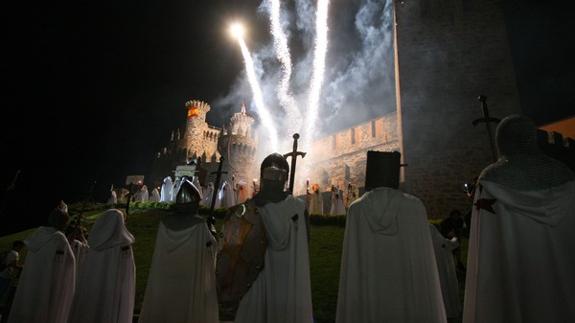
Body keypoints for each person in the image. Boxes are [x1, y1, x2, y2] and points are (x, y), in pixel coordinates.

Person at [463, 115, 575, 323]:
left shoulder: (491, 181)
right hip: (564, 280)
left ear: (502, 141)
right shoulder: (566, 176)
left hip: (519, 275)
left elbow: (489, 246)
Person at [336, 151, 446, 323]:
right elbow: (423, 264)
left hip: (369, 293)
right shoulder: (414, 207)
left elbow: (353, 262)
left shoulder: (357, 210)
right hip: (409, 295)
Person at [217, 153, 313, 323]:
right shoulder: (298, 208)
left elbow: (229, 255)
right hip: (286, 282)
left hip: (253, 284)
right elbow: (305, 244)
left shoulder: (245, 212)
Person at [139, 178, 218, 323]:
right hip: (188, 278)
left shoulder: (164, 223)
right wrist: (212, 231)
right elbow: (210, 247)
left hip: (166, 277)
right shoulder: (199, 224)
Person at [7, 201, 76, 323]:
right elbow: (70, 262)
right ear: (63, 223)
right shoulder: (59, 238)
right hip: (48, 282)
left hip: (31, 281)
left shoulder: (38, 233)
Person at [68, 209, 135, 323]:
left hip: (92, 291)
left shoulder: (95, 244)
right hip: (112, 293)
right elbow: (127, 273)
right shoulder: (123, 247)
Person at [429, 224, 461, 320]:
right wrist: (454, 236)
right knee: (446, 289)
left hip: (434, 273)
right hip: (444, 272)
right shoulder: (441, 242)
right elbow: (454, 244)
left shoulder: (427, 244)